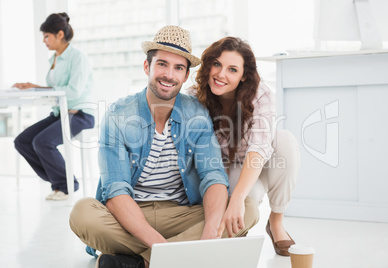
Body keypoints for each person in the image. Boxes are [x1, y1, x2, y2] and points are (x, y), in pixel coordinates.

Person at [69, 26, 259, 268]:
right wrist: (164, 249)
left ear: (186, 75)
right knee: (82, 213)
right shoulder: (118, 114)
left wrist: (211, 231)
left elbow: (213, 177)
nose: (169, 75)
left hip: (180, 213)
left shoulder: (196, 113)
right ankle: (180, 256)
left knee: (247, 209)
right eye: (162, 64)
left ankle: (137, 263)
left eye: (178, 68)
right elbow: (116, 193)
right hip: (130, 212)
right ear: (147, 66)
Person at [193, 37, 300, 256]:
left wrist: (237, 199)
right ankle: (236, 233)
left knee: (285, 141)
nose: (221, 74)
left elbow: (260, 148)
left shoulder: (260, 94)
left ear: (243, 76)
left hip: (259, 161)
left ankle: (276, 221)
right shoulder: (195, 97)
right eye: (217, 64)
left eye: (232, 69)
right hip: (223, 167)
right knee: (243, 201)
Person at [13, 12, 95, 201]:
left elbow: (74, 91)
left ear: (59, 34)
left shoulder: (77, 57)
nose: (44, 41)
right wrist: (35, 88)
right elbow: (55, 90)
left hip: (80, 114)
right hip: (61, 113)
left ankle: (66, 185)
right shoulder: (54, 60)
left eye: (46, 36)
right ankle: (58, 179)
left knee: (42, 142)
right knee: (22, 141)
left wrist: (40, 88)